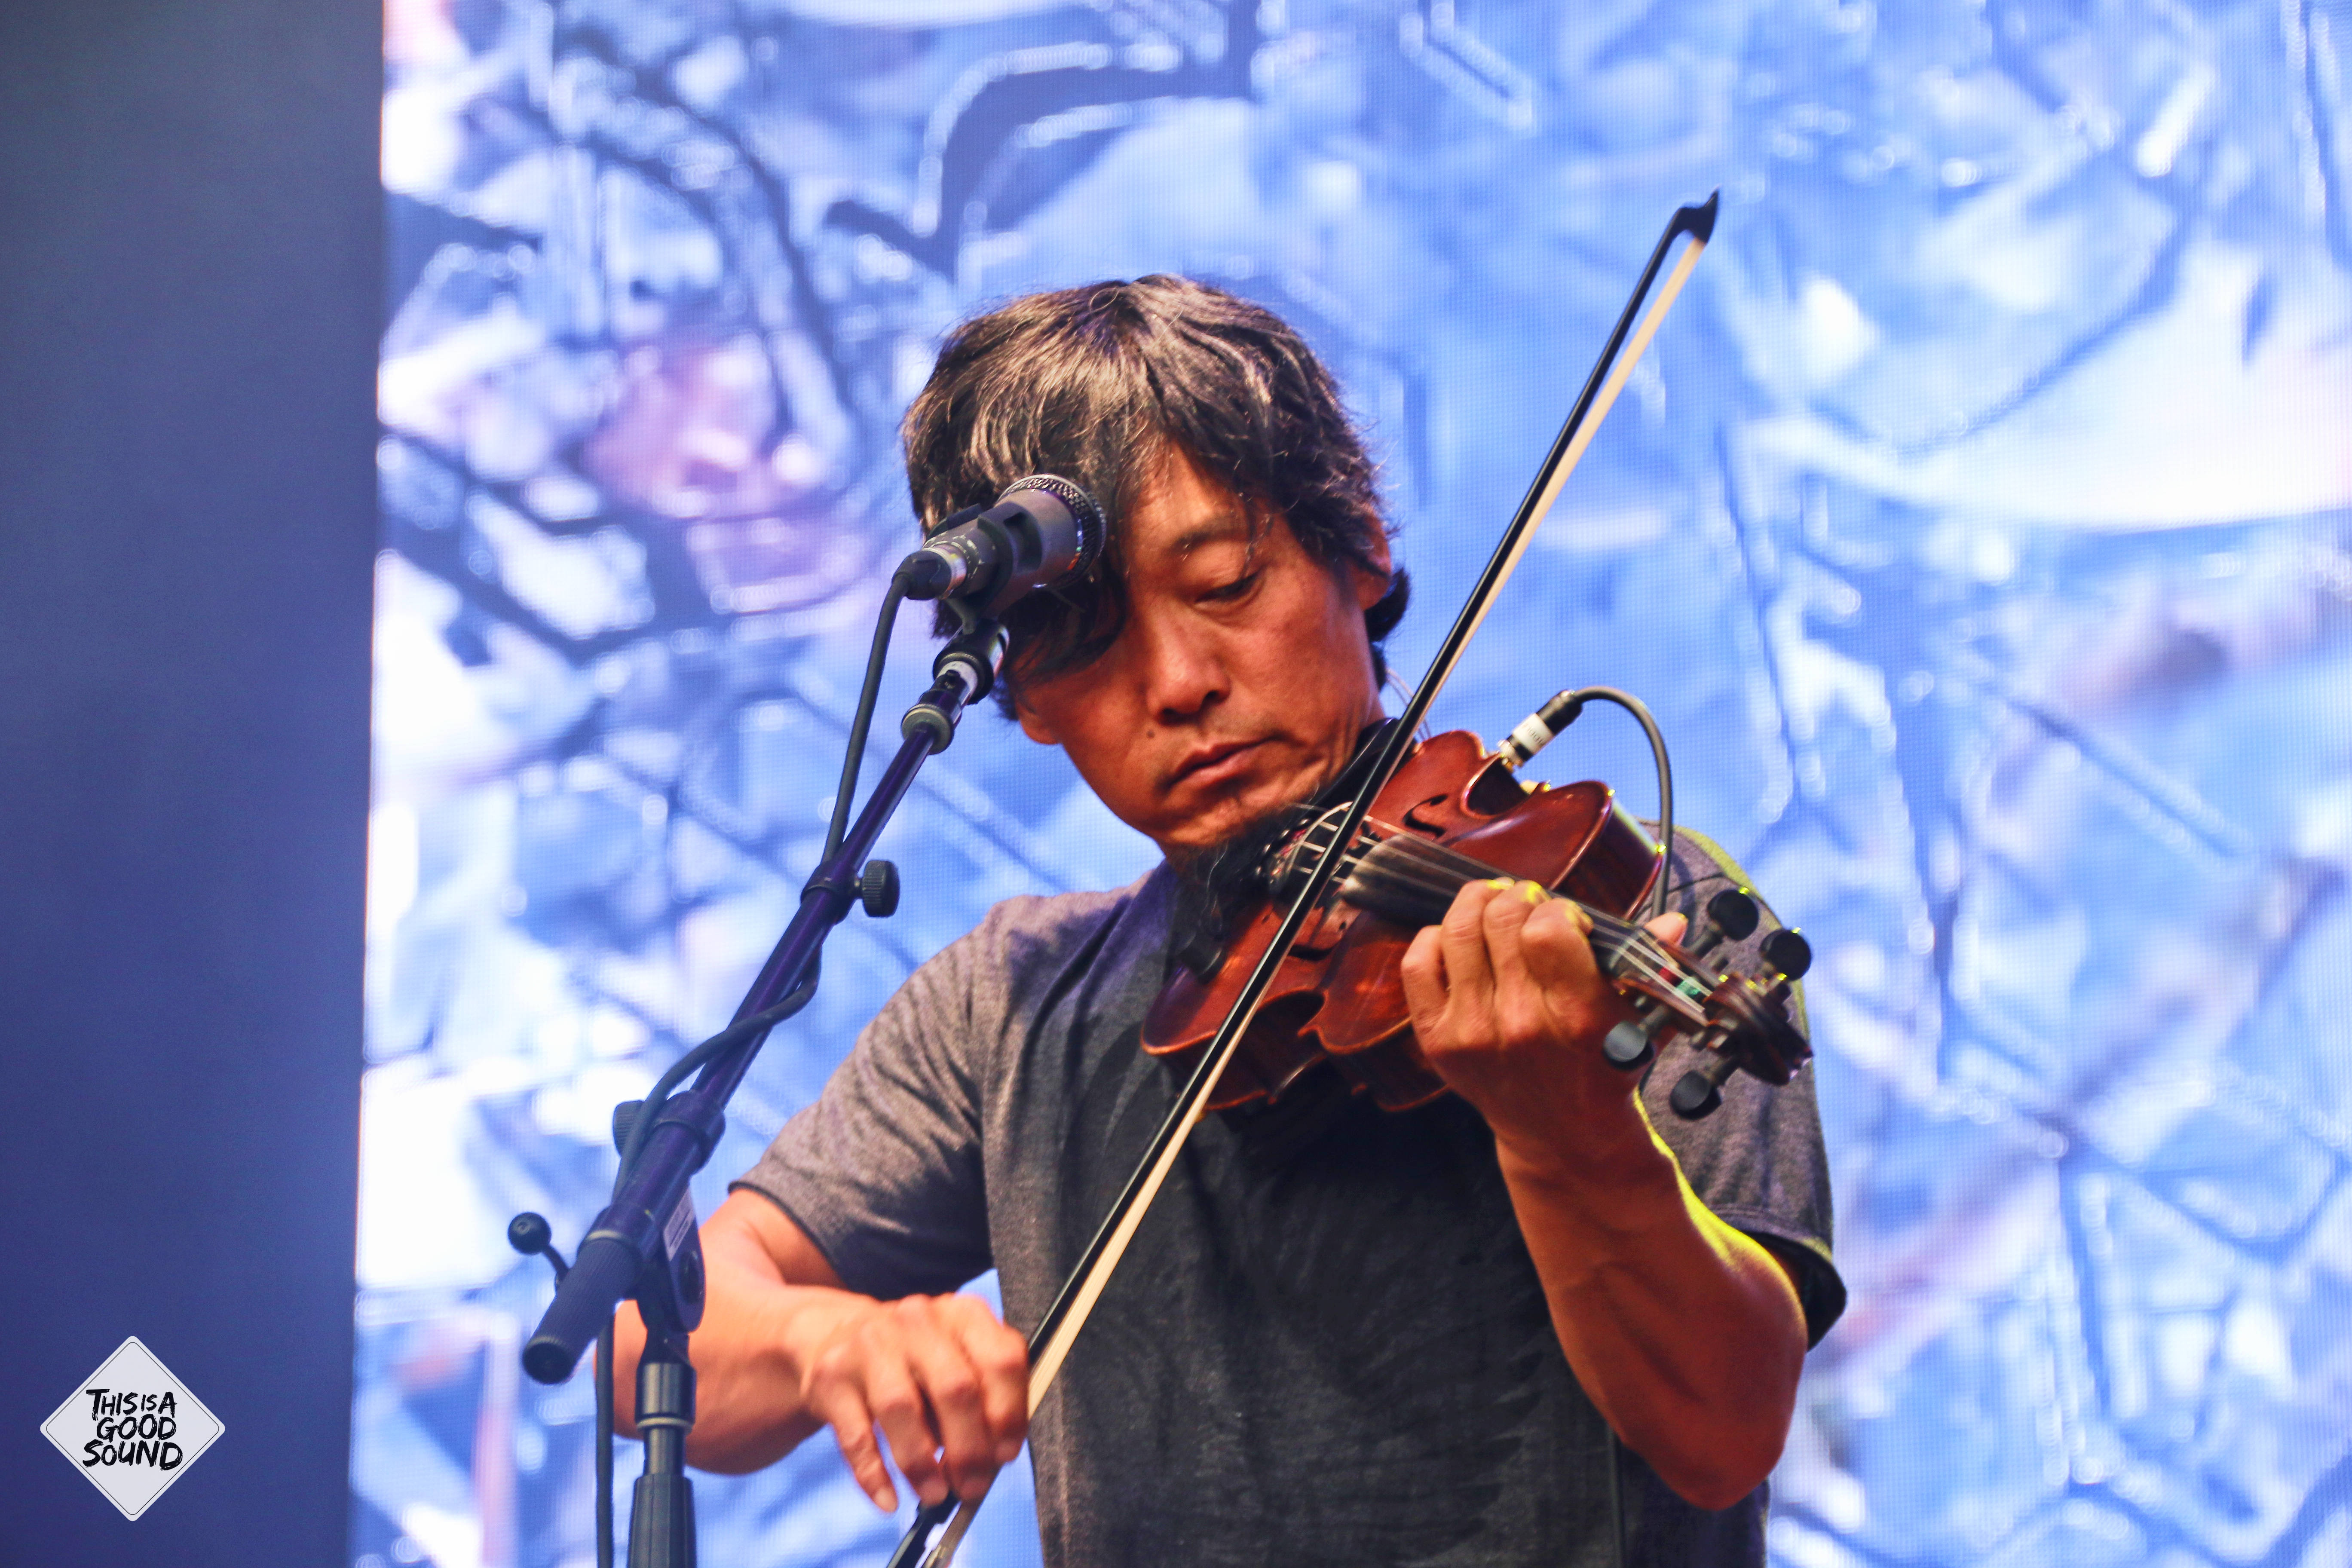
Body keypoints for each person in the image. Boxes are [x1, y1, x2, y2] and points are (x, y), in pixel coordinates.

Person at [612, 276, 1844, 1566]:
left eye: (1224, 584)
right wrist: (828, 1343)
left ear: (1360, 552)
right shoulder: (1009, 1004)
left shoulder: (1626, 904)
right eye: (1084, 640)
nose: (1179, 683)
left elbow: (1723, 1432)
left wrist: (1570, 1135)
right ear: (1027, 698)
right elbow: (650, 1340)